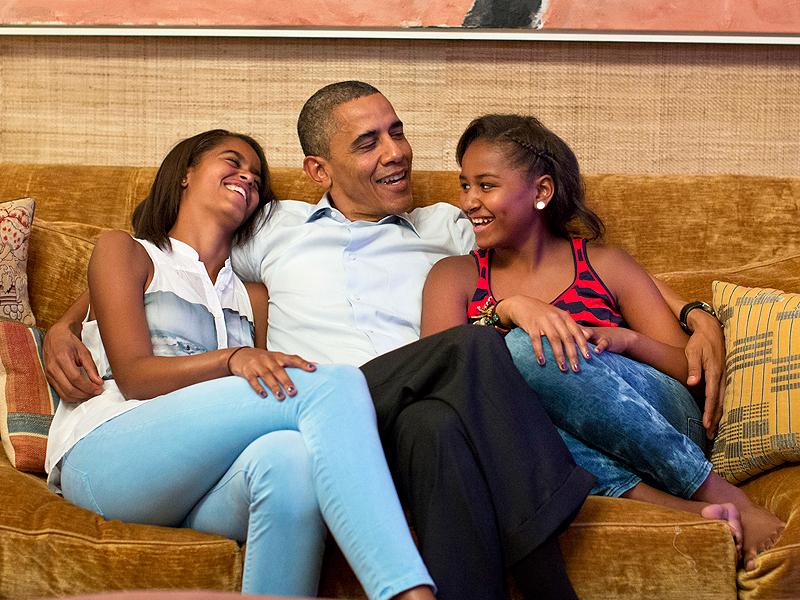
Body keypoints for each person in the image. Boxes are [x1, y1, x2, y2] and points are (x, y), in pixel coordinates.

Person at [44, 82, 722, 599]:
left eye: (396, 131)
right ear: (319, 170)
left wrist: (696, 311)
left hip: (412, 413)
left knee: (440, 420)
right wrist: (65, 324)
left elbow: (576, 248)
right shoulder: (270, 223)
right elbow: (163, 262)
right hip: (327, 411)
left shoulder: (447, 226)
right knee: (475, 348)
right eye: (368, 142)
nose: (396, 151)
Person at [43, 129, 438, 600]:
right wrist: (234, 357)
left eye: (256, 177)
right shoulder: (129, 252)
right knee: (331, 385)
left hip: (201, 479)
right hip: (109, 454)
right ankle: (407, 593)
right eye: (232, 162)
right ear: (186, 173)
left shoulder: (253, 298)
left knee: (290, 460)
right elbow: (135, 377)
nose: (247, 177)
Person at [419, 113, 786, 572]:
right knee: (499, 404)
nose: (469, 201)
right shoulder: (453, 277)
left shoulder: (604, 263)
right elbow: (439, 379)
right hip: (549, 444)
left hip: (666, 427)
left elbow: (686, 376)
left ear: (541, 192)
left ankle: (717, 491)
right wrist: (508, 308)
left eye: (485, 185)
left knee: (528, 349)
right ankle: (680, 510)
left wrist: (627, 340)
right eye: (464, 185)